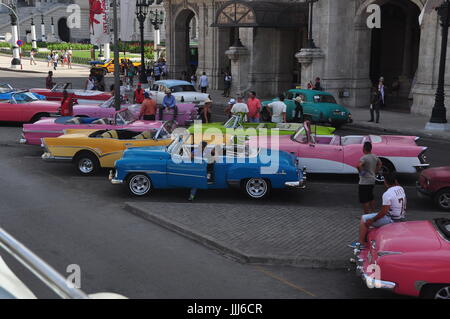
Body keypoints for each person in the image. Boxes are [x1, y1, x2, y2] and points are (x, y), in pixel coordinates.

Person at [352, 172, 407, 249]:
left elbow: (384, 212)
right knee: (373, 217)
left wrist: (372, 220)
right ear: (396, 181)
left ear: (385, 182)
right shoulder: (401, 189)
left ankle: (361, 244)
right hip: (402, 218)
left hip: (392, 220)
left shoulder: (387, 194)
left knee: (364, 219)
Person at [358, 141, 382, 214]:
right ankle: (373, 212)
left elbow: (359, 165)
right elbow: (380, 163)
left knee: (364, 199)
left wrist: (362, 173)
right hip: (372, 180)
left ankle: (366, 215)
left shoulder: (364, 158)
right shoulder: (375, 156)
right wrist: (376, 171)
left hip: (364, 182)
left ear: (364, 148)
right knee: (370, 197)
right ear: (371, 148)